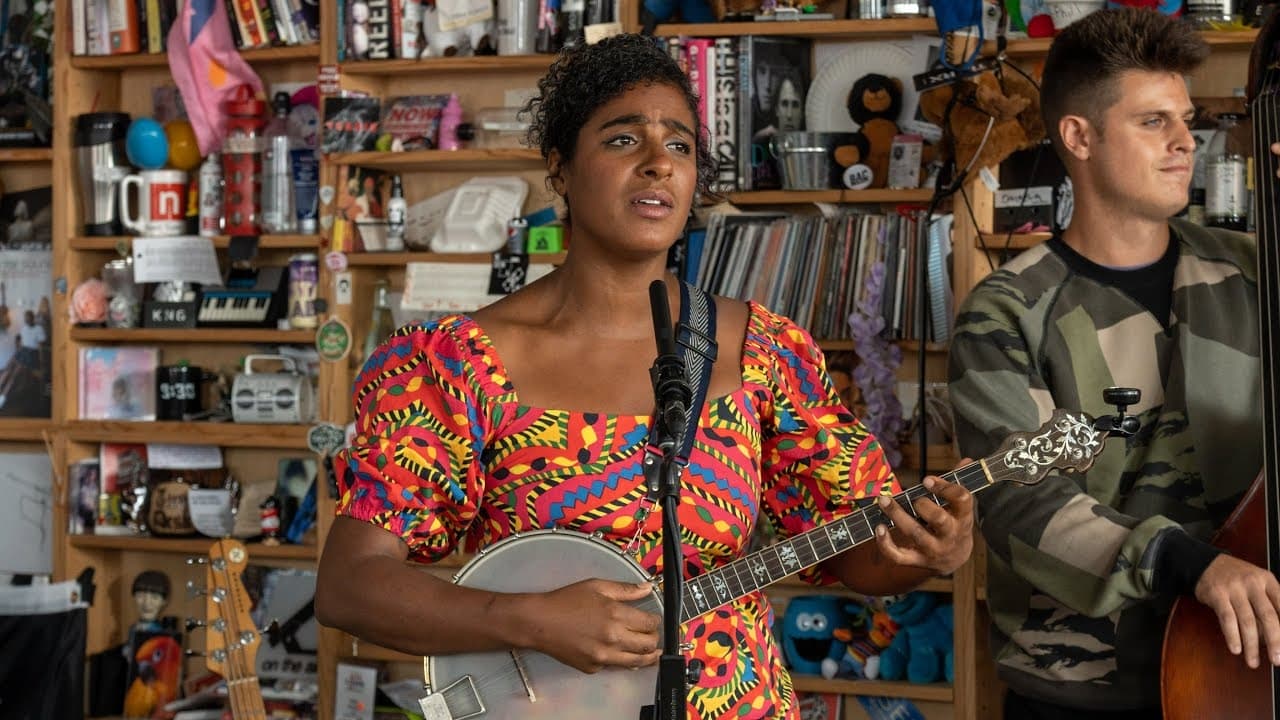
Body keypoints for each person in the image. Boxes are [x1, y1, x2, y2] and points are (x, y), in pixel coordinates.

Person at [316, 33, 974, 720]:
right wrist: (528, 620)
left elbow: (861, 557)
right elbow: (351, 587)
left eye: (681, 146)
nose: (660, 163)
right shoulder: (453, 364)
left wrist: (929, 551)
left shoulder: (764, 351)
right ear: (561, 170)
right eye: (625, 140)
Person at [947, 8, 1279, 719]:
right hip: (1085, 691)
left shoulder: (1255, 272)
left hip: (1245, 672)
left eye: (1187, 120)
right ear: (1079, 136)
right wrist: (1193, 566)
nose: (1187, 142)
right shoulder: (1005, 312)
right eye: (1154, 121)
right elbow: (1018, 500)